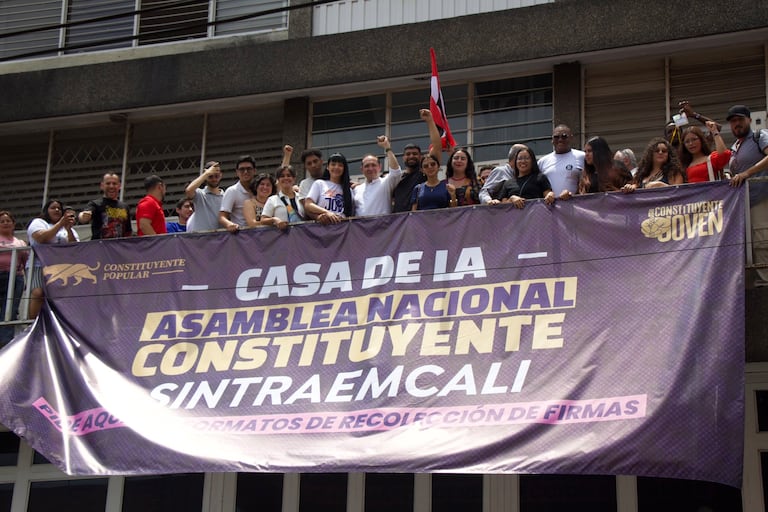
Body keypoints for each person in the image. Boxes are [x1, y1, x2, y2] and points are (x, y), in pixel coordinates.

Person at [727, 105, 768, 286]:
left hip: (761, 196)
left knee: (762, 238)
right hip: (742, 203)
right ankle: (751, 282)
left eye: (740, 120)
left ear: (749, 120)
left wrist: (747, 173)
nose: (737, 124)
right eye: (733, 121)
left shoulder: (760, 136)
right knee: (747, 242)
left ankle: (765, 282)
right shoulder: (735, 147)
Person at [26, 200, 79, 319]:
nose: (56, 210)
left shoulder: (66, 228)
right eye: (53, 208)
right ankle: (33, 323)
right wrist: (60, 224)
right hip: (39, 265)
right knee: (38, 293)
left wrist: (69, 229)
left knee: (57, 298)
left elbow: (75, 247)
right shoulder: (38, 222)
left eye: (59, 209)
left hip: (62, 268)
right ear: (46, 210)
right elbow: (41, 238)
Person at [411, 109, 457, 211]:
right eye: (426, 166)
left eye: (433, 164)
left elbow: (454, 211)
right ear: (422, 170)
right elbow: (413, 213)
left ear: (438, 166)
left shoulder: (446, 186)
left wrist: (430, 120)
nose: (430, 167)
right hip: (423, 225)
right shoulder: (418, 189)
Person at [354, 136, 403, 217]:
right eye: (367, 166)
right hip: (360, 228)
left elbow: (396, 172)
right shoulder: (356, 189)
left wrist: (387, 148)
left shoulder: (385, 183)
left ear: (380, 167)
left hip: (382, 228)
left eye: (373, 165)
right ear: (361, 169)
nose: (370, 168)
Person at [304, 153, 356, 223]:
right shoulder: (319, 184)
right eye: (333, 164)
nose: (336, 167)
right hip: (323, 229)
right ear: (328, 167)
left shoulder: (349, 190)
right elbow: (308, 204)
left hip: (342, 230)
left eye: (340, 165)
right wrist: (327, 213)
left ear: (344, 169)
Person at [78, 173, 132, 239]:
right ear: (102, 186)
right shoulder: (95, 204)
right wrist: (83, 216)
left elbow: (128, 231)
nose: (111, 186)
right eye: (108, 183)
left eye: (114, 183)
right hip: (101, 247)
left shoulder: (125, 206)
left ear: (119, 186)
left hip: (120, 247)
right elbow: (83, 216)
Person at [0, 211, 27, 344]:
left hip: (15, 278)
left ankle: (5, 341)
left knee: (10, 310)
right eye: (2, 221)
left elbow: (25, 261)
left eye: (8, 221)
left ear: (13, 224)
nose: (5, 223)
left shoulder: (20, 242)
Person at [538, 124, 585, 200]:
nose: (560, 140)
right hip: (550, 209)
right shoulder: (542, 162)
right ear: (552, 140)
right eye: (556, 137)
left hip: (575, 207)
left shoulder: (582, 157)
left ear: (571, 138)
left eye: (564, 136)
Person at [260, 165, 305, 229]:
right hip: (283, 237)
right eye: (282, 176)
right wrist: (275, 220)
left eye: (289, 175)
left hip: (302, 236)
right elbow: (263, 220)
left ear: (294, 179)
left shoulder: (301, 198)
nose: (286, 178)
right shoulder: (272, 200)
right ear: (278, 180)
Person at [219, 156, 256, 232]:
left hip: (260, 234)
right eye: (242, 169)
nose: (245, 172)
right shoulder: (232, 191)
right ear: (237, 172)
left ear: (254, 171)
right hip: (241, 236)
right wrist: (229, 224)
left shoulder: (260, 188)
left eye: (249, 169)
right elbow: (222, 217)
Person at [184, 161, 224, 232]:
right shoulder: (200, 194)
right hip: (202, 239)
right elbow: (189, 191)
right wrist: (206, 173)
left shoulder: (226, 196)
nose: (214, 179)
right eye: (210, 176)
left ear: (221, 175)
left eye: (216, 176)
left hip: (220, 239)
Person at [392, 144, 427, 213]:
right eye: (408, 154)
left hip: (418, 219)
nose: (411, 156)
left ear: (420, 157)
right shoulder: (398, 179)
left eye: (415, 154)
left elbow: (436, 149)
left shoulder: (424, 174)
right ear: (403, 157)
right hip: (398, 221)